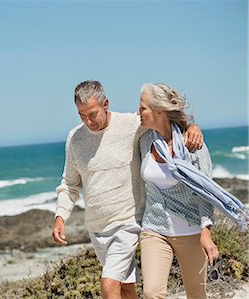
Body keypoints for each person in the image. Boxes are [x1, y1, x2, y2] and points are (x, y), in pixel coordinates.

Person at [52, 80, 203, 299]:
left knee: (109, 284)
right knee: (125, 288)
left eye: (92, 114)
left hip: (127, 223)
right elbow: (70, 184)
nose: (87, 121)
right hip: (96, 228)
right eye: (81, 115)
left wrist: (192, 126)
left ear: (106, 104)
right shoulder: (75, 138)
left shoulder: (131, 125)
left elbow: (164, 121)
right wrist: (60, 216)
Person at [137, 82, 248, 299]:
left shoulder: (193, 144)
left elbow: (204, 192)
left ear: (159, 111)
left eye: (142, 108)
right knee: (152, 293)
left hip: (190, 230)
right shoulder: (143, 140)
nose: (138, 112)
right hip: (153, 228)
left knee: (196, 293)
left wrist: (205, 233)